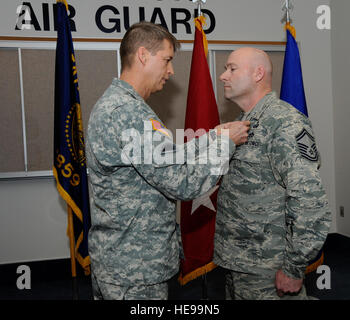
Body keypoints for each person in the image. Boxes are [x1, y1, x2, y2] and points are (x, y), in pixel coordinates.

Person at [86, 21, 250, 300]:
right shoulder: (128, 113)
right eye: (167, 60)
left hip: (124, 263)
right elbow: (183, 184)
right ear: (142, 55)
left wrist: (211, 137)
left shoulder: (121, 105)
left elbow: (165, 156)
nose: (171, 70)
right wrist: (225, 145)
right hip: (135, 271)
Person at [213, 47, 331, 300]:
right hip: (240, 263)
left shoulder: (284, 122)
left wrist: (294, 266)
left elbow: (309, 200)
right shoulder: (243, 122)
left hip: (269, 268)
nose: (223, 76)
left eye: (232, 68)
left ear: (258, 73)